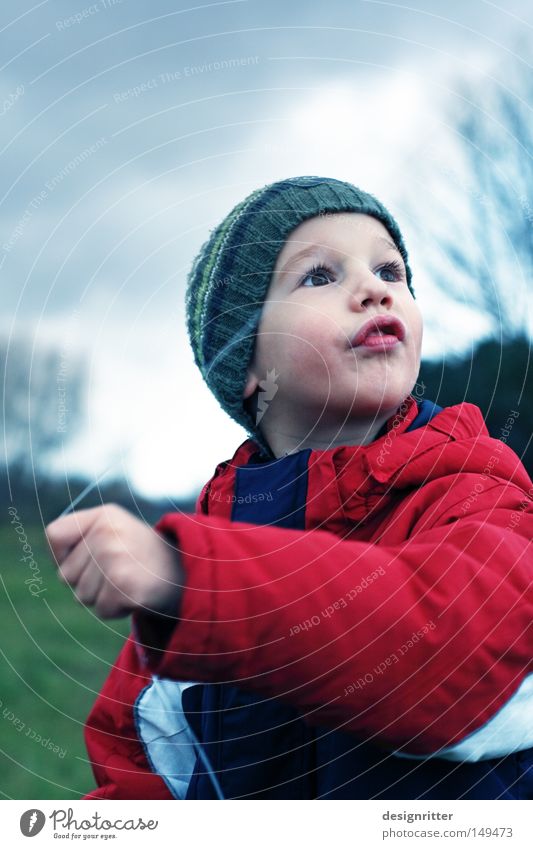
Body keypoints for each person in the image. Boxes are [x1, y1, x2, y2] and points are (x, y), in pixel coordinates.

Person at [45, 176, 533, 800]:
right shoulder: (214, 542)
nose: (374, 289)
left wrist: (196, 582)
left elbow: (457, 650)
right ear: (248, 364)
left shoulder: (474, 487)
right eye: (320, 276)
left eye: (391, 270)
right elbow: (141, 775)